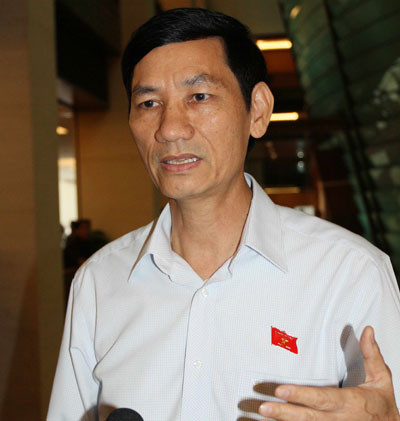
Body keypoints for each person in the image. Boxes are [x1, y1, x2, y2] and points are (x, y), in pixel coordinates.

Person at [47, 8, 400, 421]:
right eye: (148, 103)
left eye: (199, 97)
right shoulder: (98, 283)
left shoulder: (350, 273)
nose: (170, 129)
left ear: (258, 110)